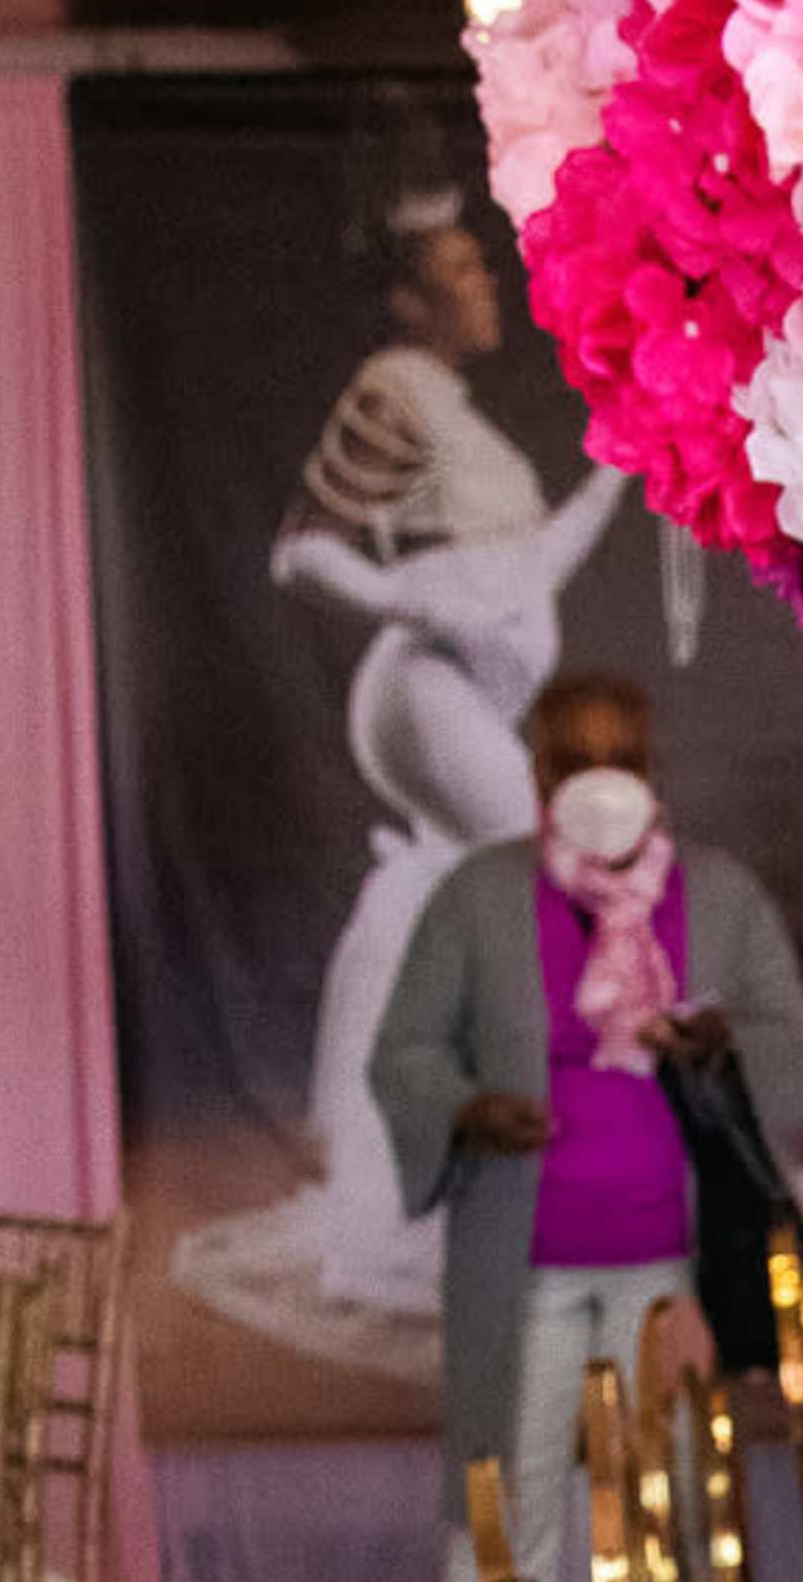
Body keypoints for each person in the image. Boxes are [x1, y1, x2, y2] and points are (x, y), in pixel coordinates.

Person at [365, 664, 803, 1582]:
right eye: (575, 759)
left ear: (654, 771)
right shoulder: (477, 898)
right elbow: (403, 1051)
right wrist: (469, 1108)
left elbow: (798, 1051)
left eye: (623, 757)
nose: (600, 779)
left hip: (668, 1268)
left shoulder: (718, 897)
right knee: (499, 1518)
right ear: (537, 776)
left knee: (665, 1514)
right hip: (518, 1268)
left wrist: (722, 1045)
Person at [257, 190, 627, 1331]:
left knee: (481, 903)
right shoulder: (396, 387)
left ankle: (471, 1174)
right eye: (459, 270)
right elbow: (302, 549)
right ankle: (440, 1190)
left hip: (470, 690)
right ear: (410, 302)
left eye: (482, 264)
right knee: (534, 886)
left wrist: (620, 464)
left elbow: (531, 570)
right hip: (422, 690)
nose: (485, 284)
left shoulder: (459, 416)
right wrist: (411, 600)